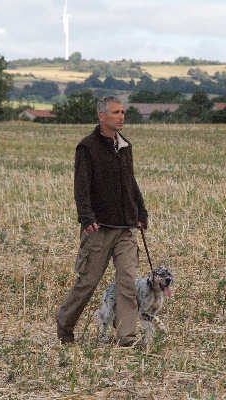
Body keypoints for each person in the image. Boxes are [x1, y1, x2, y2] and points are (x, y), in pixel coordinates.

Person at [56, 96, 148, 347]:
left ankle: (126, 338)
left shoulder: (126, 145)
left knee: (127, 282)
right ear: (102, 116)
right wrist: (86, 217)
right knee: (88, 282)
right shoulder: (87, 147)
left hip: (125, 228)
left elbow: (131, 183)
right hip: (98, 228)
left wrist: (141, 212)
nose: (121, 116)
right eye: (116, 112)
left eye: (123, 112)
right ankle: (64, 325)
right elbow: (81, 186)